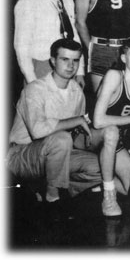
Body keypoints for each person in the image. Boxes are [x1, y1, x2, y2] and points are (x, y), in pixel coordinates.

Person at [7, 39, 101, 219]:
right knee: (61, 139)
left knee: (100, 166)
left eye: (75, 60)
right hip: (22, 155)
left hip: (57, 154)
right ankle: (54, 199)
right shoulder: (35, 89)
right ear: (52, 61)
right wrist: (76, 120)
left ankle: (48, 186)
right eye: (65, 59)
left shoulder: (76, 92)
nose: (71, 65)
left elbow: (76, 135)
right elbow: (37, 131)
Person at [85, 38, 130, 216]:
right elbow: (98, 121)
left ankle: (98, 182)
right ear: (124, 58)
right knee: (111, 131)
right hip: (88, 137)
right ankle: (108, 195)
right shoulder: (114, 76)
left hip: (114, 143)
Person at [14, 0, 85, 87]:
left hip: (67, 65)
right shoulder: (27, 2)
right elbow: (21, 46)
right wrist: (31, 80)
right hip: (42, 66)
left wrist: (80, 70)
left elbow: (73, 35)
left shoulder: (67, 0)